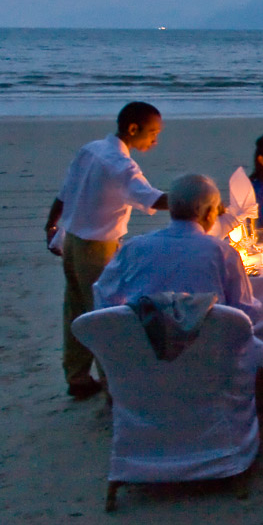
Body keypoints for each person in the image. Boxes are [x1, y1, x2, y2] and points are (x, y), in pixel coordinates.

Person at [44, 101, 169, 399]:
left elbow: (64, 192)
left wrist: (50, 226)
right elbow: (151, 198)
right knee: (104, 315)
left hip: (71, 239)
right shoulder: (121, 165)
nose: (155, 140)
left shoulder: (91, 149)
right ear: (132, 129)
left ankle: (76, 376)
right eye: (152, 133)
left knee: (75, 309)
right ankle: (113, 388)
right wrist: (199, 200)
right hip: (97, 247)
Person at [93, 174, 260, 320]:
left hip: (145, 350)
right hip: (209, 351)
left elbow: (104, 295)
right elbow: (245, 311)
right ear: (209, 213)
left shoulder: (134, 248)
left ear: (171, 208)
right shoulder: (223, 253)